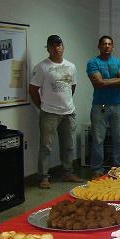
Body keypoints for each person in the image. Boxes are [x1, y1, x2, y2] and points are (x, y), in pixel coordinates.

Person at [29, 35, 83, 189]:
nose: (56, 48)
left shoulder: (71, 66)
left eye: (59, 45)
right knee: (46, 146)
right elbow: (33, 90)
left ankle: (68, 172)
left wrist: (65, 103)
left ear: (63, 46)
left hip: (68, 112)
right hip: (49, 113)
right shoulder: (42, 67)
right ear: (48, 48)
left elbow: (72, 87)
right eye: (52, 46)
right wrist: (42, 106)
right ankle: (44, 177)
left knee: (68, 145)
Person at [86, 35, 120, 178]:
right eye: (104, 44)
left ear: (113, 46)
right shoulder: (93, 63)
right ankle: (97, 169)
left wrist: (105, 82)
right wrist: (117, 80)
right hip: (99, 105)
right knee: (98, 139)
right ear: (99, 46)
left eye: (109, 44)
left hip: (118, 105)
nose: (107, 46)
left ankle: (118, 168)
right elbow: (97, 83)